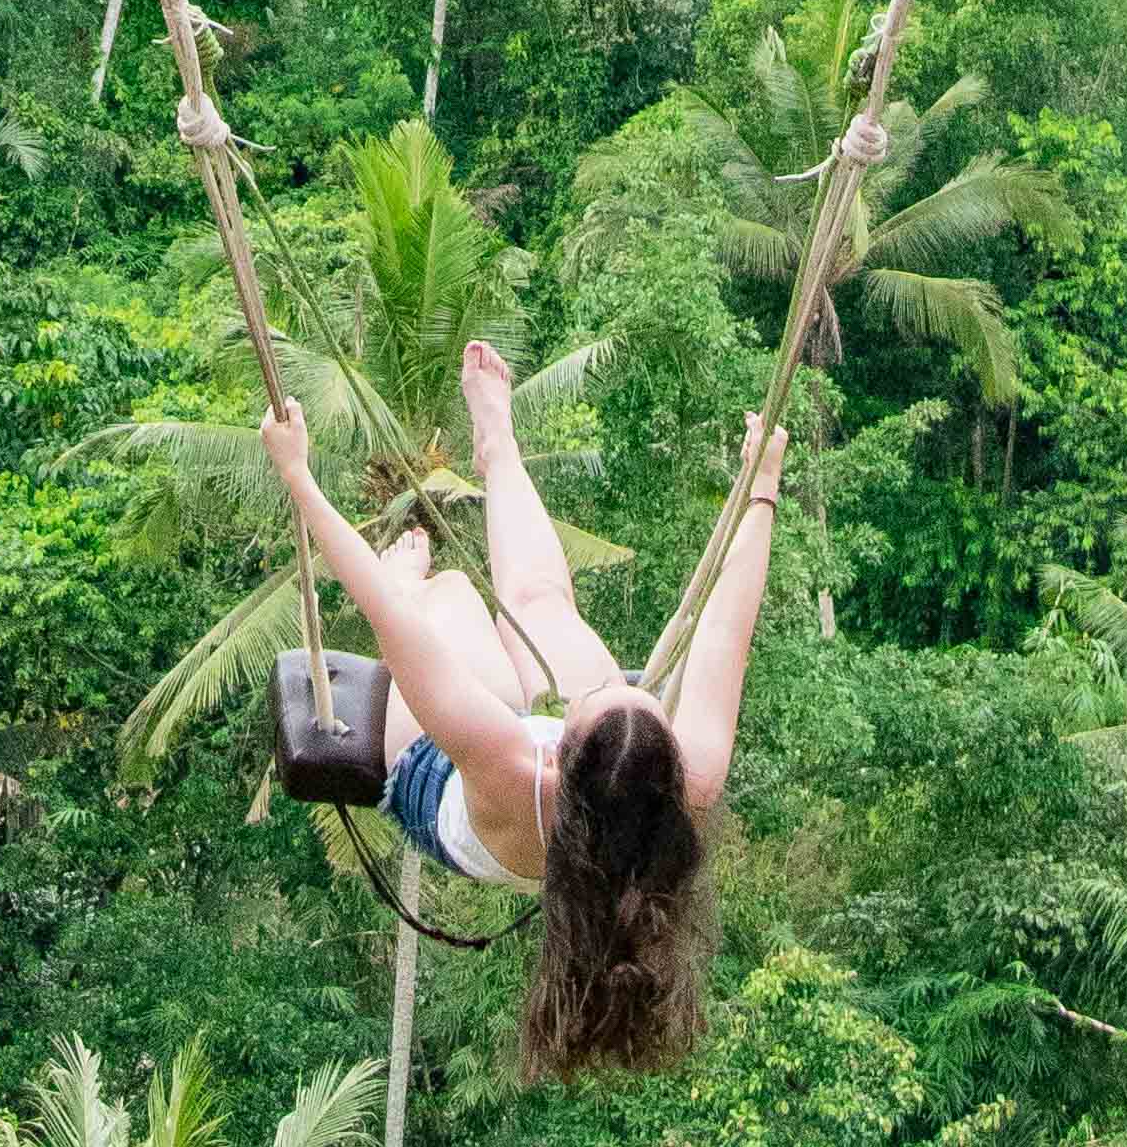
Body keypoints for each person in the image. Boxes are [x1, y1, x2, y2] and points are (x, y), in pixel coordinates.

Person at [259, 335, 787, 1079]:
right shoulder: (689, 780)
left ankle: (423, 576)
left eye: (592, 700)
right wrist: (763, 489)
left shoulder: (509, 766)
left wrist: (298, 476)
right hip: (584, 808)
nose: (600, 684)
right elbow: (728, 626)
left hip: (437, 780)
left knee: (451, 603)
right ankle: (497, 444)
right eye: (629, 689)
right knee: (542, 604)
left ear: (560, 754)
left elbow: (388, 623)